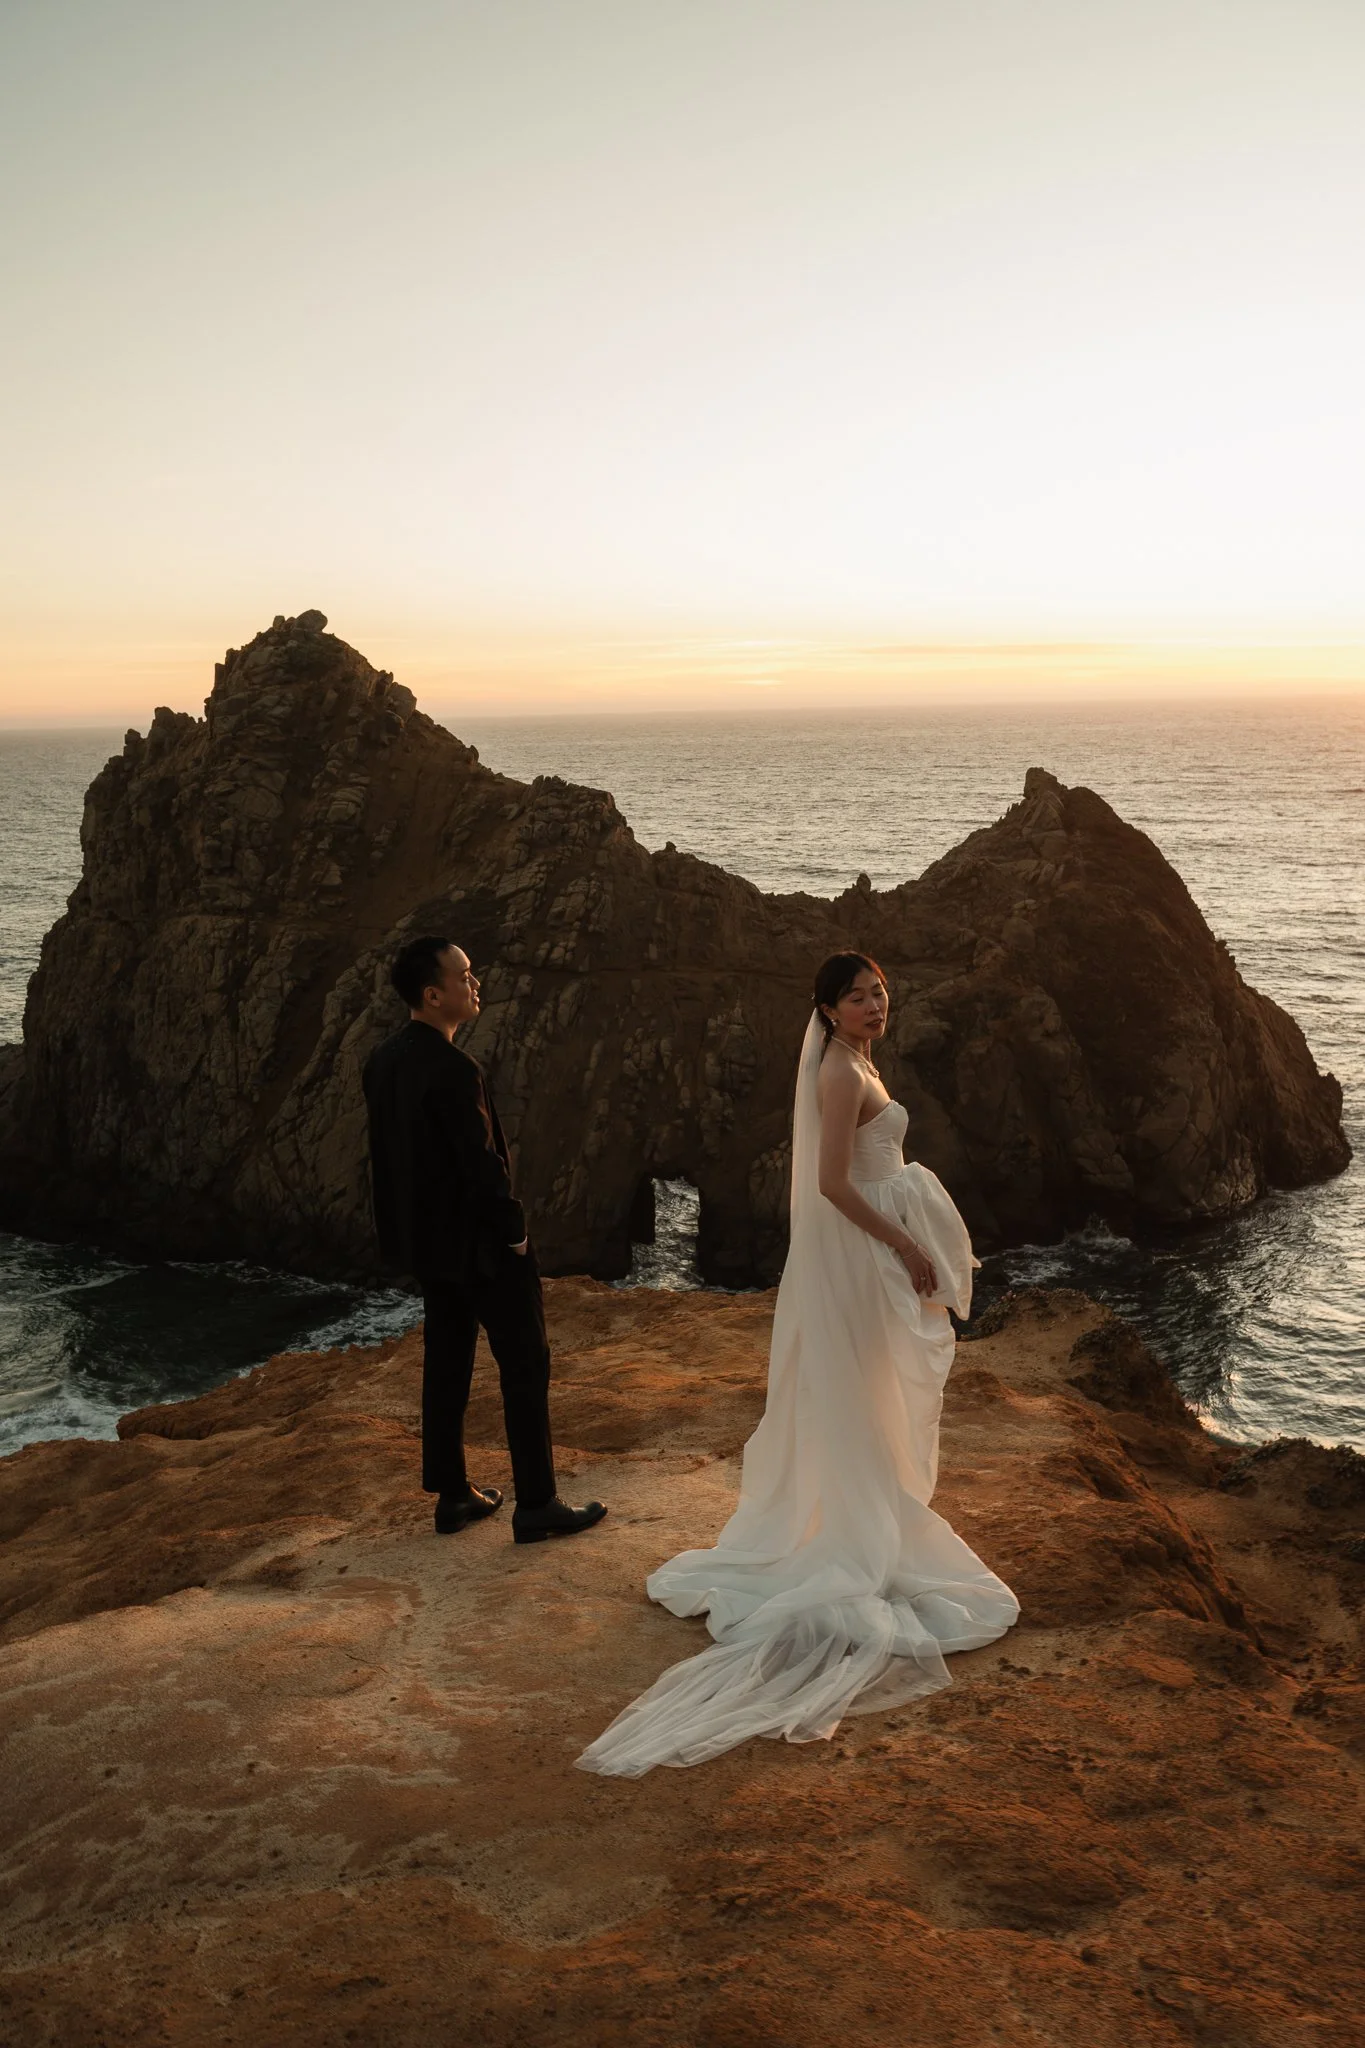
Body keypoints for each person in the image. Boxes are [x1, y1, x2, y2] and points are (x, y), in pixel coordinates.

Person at [577, 951, 1017, 1776]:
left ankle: (864, 1511)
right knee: (864, 1387)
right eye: (857, 997)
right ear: (828, 1009)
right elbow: (827, 1185)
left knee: (872, 1386)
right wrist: (904, 1243)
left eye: (879, 991)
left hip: (866, 1246)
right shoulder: (842, 1076)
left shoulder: (853, 1061)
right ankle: (855, 1529)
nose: (874, 1004)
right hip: (861, 1248)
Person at [362, 935, 607, 1545]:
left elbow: (390, 1165)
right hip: (481, 1248)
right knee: (525, 1364)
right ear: (432, 993)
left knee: (447, 1362)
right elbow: (481, 1165)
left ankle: (452, 1496)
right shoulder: (455, 1069)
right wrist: (516, 1235)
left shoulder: (382, 1062)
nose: (475, 984)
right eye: (464, 975)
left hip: (428, 1248)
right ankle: (538, 1504)